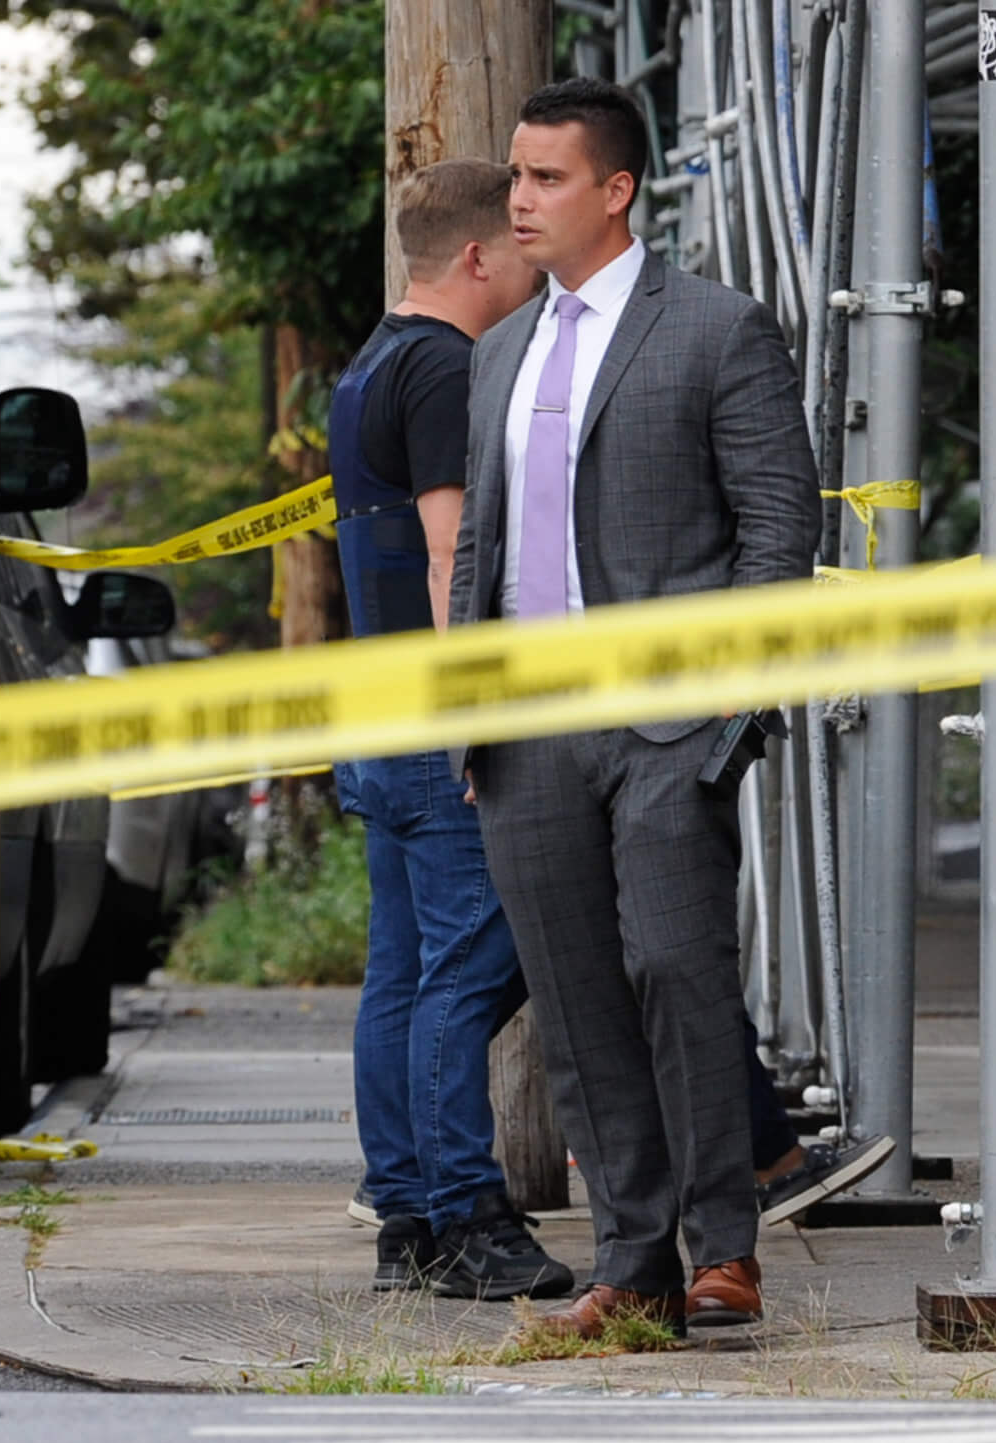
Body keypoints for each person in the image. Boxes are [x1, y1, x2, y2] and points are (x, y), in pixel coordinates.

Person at [450, 77, 824, 1338]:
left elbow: (780, 526)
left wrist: (733, 707)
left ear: (615, 190)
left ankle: (725, 1246)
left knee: (675, 967)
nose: (518, 199)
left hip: (670, 719)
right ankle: (632, 1266)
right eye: (514, 176)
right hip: (529, 728)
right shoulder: (497, 349)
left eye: (545, 178)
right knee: (573, 1000)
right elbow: (479, 553)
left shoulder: (716, 328)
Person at [329, 159, 571, 1302]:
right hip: (435, 719)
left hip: (377, 709)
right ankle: (470, 1214)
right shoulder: (444, 368)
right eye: (520, 255)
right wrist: (482, 716)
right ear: (476, 257)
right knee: (473, 970)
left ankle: (410, 1221)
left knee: (405, 975)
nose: (535, 276)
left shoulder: (369, 361)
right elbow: (450, 554)